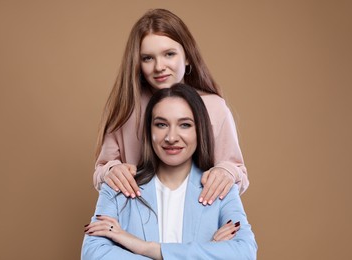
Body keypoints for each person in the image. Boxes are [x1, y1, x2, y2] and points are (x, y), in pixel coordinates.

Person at [82, 84, 257, 259]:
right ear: (149, 130)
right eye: (161, 124)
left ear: (199, 130)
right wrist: (205, 251)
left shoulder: (222, 188)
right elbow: (93, 254)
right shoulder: (117, 186)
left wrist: (145, 248)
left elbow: (245, 253)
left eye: (185, 125)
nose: (171, 137)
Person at [94, 8, 249, 206]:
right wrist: (111, 171)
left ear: (187, 56)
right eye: (148, 58)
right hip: (139, 224)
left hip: (200, 223)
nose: (159, 66)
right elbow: (102, 169)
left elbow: (238, 172)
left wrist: (227, 172)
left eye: (169, 54)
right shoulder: (128, 109)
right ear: (137, 63)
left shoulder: (214, 108)